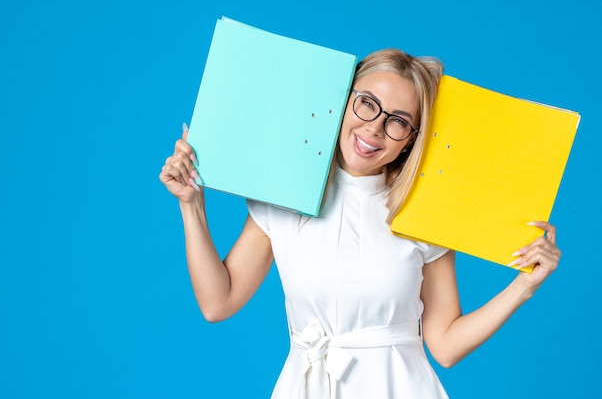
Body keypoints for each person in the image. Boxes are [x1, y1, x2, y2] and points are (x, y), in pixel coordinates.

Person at [159, 49, 561, 399]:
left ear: (412, 139)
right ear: (341, 100)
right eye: (367, 103)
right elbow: (218, 303)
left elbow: (445, 346)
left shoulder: (424, 212)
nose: (374, 128)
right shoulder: (283, 194)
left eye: (398, 121)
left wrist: (523, 286)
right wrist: (191, 206)